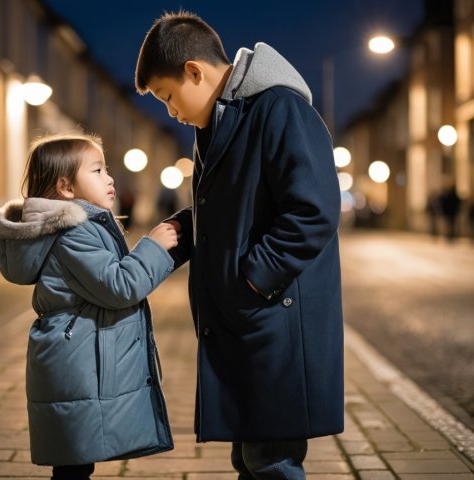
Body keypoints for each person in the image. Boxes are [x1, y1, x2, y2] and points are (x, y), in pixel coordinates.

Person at [135, 12, 344, 480]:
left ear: (195, 71)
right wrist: (185, 231)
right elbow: (240, 207)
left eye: (168, 96)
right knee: (250, 458)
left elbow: (313, 212)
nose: (170, 111)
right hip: (250, 324)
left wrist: (253, 277)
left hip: (277, 322)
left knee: (270, 461)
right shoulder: (221, 122)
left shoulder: (278, 109)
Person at [0, 133, 177, 480]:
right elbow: (119, 286)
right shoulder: (73, 233)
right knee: (72, 466)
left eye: (106, 169)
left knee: (74, 463)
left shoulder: (83, 226)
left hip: (76, 358)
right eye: (97, 170)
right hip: (78, 362)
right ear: (65, 187)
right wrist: (153, 247)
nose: (109, 178)